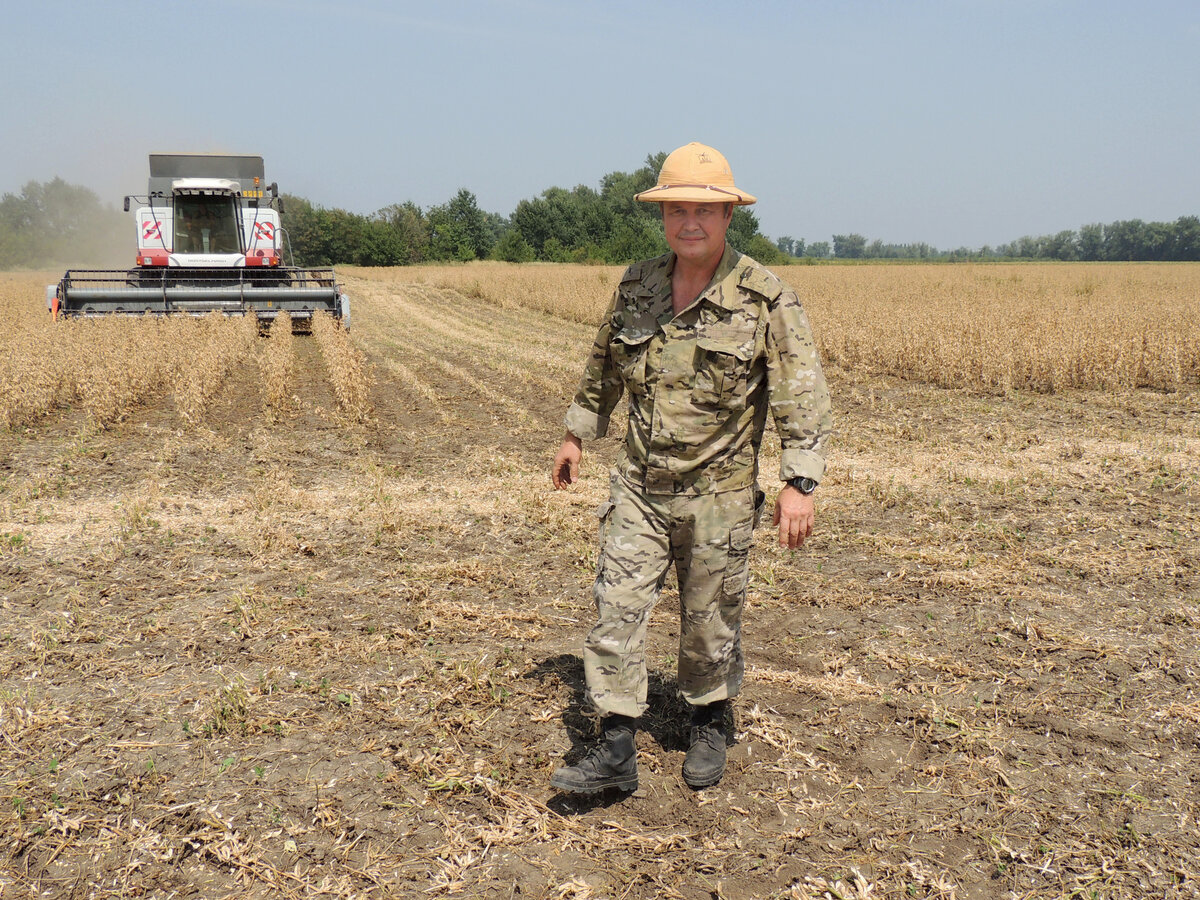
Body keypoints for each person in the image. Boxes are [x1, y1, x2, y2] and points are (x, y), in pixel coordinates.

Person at [549, 142, 832, 794]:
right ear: (664, 215)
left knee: (710, 621)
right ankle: (615, 745)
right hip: (640, 488)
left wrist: (799, 482)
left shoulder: (765, 299)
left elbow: (803, 394)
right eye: (678, 209)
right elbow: (603, 366)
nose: (691, 223)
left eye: (705, 210)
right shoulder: (638, 284)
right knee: (615, 611)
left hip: (720, 494)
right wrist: (575, 435)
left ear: (729, 215)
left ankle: (709, 717)